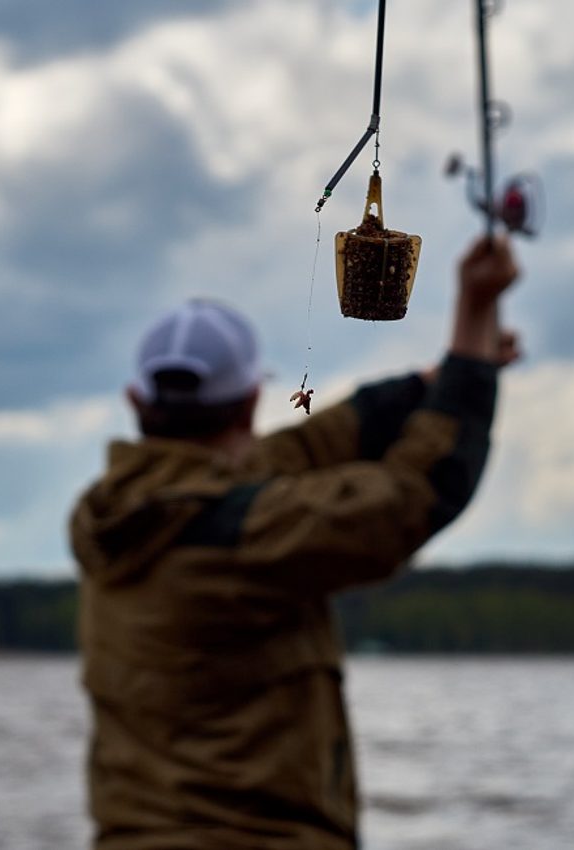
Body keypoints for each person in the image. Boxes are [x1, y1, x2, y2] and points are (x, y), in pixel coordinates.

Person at [69, 235, 521, 849]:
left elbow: (298, 453)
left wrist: (436, 379)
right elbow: (413, 495)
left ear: (136, 401)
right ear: (253, 401)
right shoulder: (241, 531)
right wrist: (472, 322)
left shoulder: (120, 516)